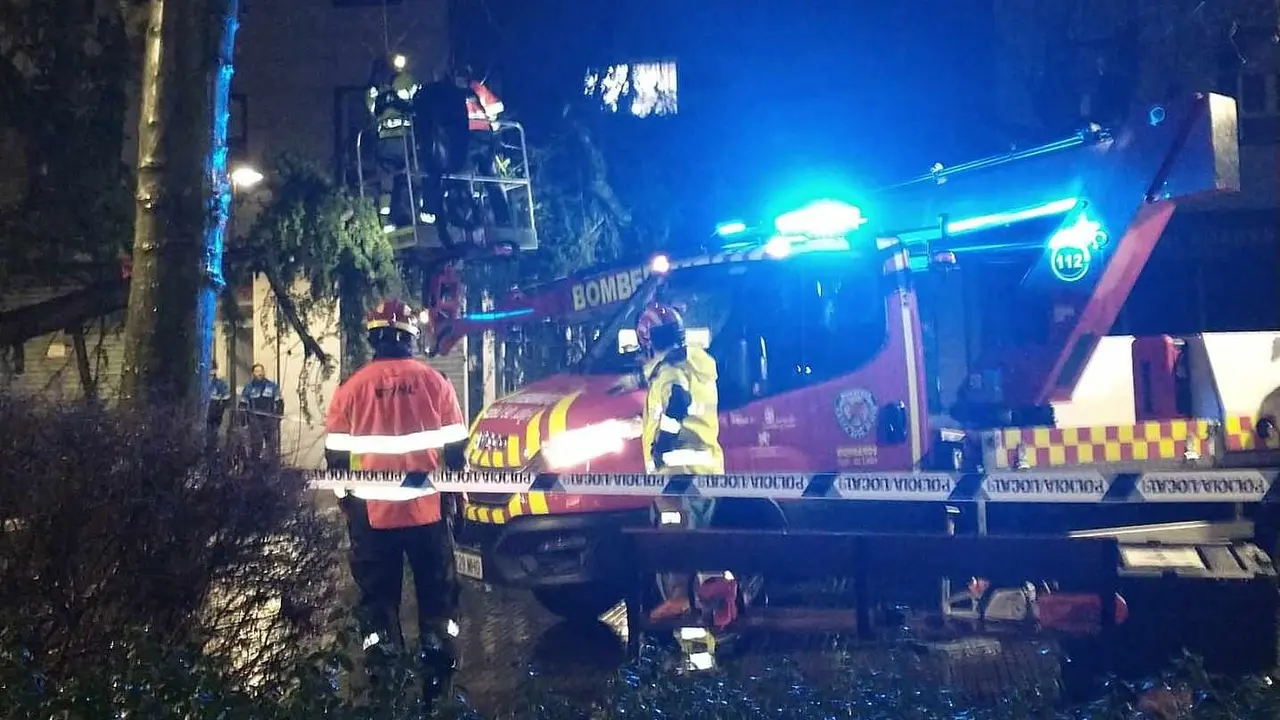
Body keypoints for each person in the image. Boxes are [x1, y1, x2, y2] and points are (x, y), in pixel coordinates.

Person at [324, 298, 469, 710]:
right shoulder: (435, 383)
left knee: (378, 605)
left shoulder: (350, 390)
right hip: (428, 515)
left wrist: (347, 505)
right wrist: (454, 499)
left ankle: (386, 689)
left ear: (373, 336)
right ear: (410, 337)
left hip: (372, 520)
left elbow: (336, 461)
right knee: (438, 603)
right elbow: (456, 452)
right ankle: (436, 693)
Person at [634, 303, 734, 624]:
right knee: (699, 542)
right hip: (706, 472)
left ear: (649, 340)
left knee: (674, 540)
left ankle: (680, 601)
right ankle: (716, 604)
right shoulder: (698, 365)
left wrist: (662, 443)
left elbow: (677, 403)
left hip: (677, 477)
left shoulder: (670, 372)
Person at [366, 53, 424, 231]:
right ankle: (417, 213)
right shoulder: (403, 89)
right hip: (404, 143)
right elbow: (417, 100)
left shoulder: (377, 94)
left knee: (390, 183)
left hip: (387, 144)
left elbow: (371, 105)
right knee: (411, 178)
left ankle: (387, 219)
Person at [240, 363, 283, 463]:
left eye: (261, 371)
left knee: (271, 446)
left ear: (264, 372)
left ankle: (271, 467)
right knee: (256, 445)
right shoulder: (248, 387)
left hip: (269, 420)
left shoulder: (272, 386)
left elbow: (279, 403)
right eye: (256, 371)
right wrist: (244, 422)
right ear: (253, 373)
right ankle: (255, 467)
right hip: (254, 421)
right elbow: (242, 405)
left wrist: (278, 419)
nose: (259, 373)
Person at [207, 362, 231, 450]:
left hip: (214, 416)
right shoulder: (199, 382)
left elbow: (227, 401)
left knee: (213, 437)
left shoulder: (220, 384)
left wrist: (219, 410)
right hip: (202, 416)